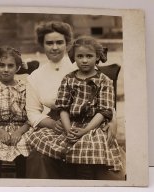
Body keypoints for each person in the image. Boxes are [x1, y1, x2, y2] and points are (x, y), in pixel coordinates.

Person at [25, 21, 121, 179]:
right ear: (42, 44)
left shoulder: (82, 64)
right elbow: (33, 111)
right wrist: (52, 124)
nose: (54, 47)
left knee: (95, 157)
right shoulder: (36, 76)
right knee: (39, 157)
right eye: (49, 43)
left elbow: (104, 101)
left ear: (67, 44)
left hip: (90, 121)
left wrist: (113, 121)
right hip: (56, 121)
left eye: (59, 42)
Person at [53, 36, 123, 179]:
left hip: (94, 125)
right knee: (61, 149)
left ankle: (86, 182)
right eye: (80, 56)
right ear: (74, 57)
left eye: (89, 56)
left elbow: (104, 110)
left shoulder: (104, 80)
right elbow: (63, 107)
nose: (84, 60)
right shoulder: (68, 79)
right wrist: (68, 130)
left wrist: (85, 130)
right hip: (71, 124)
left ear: (97, 57)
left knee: (85, 148)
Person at [0, 47, 32, 178]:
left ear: (18, 68)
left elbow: (31, 117)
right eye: (2, 65)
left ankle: (23, 185)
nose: (5, 69)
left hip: (22, 129)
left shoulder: (25, 88)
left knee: (24, 147)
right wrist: (2, 132)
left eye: (10, 66)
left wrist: (19, 132)